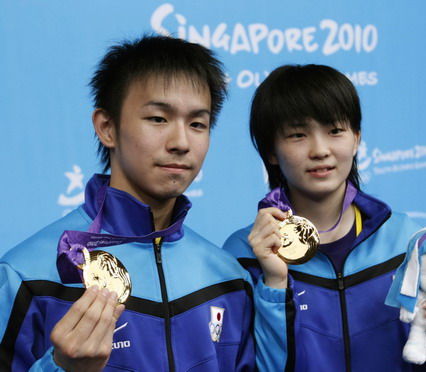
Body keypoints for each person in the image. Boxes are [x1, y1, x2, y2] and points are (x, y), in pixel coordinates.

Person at [0, 35, 255, 371]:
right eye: (158, 119)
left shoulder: (230, 278)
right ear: (107, 127)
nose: (181, 142)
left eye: (197, 124)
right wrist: (60, 366)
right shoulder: (28, 274)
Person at [222, 64, 426, 371]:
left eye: (335, 131)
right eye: (298, 134)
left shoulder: (408, 241)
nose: (320, 150)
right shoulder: (243, 255)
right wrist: (275, 284)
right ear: (271, 151)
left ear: (356, 139)